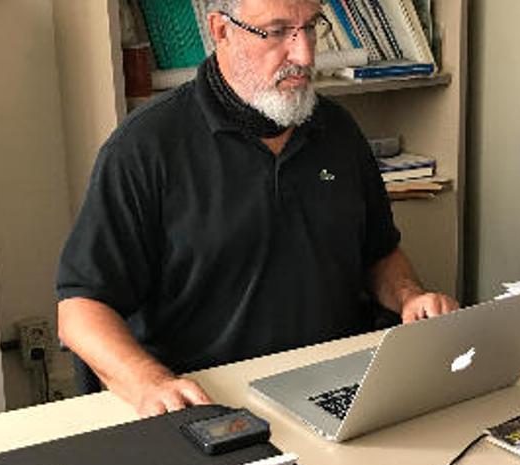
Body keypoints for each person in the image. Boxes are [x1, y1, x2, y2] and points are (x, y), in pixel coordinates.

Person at [56, 0, 458, 417]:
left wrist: (411, 297)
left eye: (310, 28)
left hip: (339, 387)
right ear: (221, 29)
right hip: (213, 403)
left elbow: (379, 253)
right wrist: (150, 383)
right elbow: (81, 310)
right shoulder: (145, 149)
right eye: (278, 31)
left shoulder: (337, 130)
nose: (303, 55)